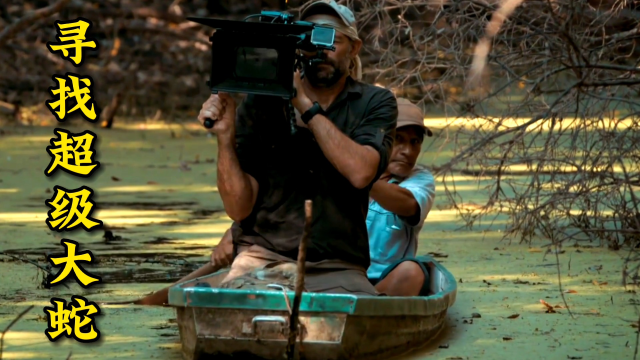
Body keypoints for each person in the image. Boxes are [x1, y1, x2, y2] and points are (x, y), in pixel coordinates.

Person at [196, 0, 397, 295]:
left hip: (338, 266)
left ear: (354, 48)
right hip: (262, 259)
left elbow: (361, 173)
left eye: (330, 40)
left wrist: (303, 104)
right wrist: (225, 138)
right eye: (308, 39)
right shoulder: (261, 103)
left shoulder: (375, 103)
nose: (319, 51)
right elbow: (238, 207)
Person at [366, 98, 436, 297]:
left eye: (415, 142)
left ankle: (366, 301)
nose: (408, 151)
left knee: (412, 273)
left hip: (387, 280)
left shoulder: (421, 179)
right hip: (343, 275)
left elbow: (407, 204)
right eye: (399, 139)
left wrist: (358, 173)